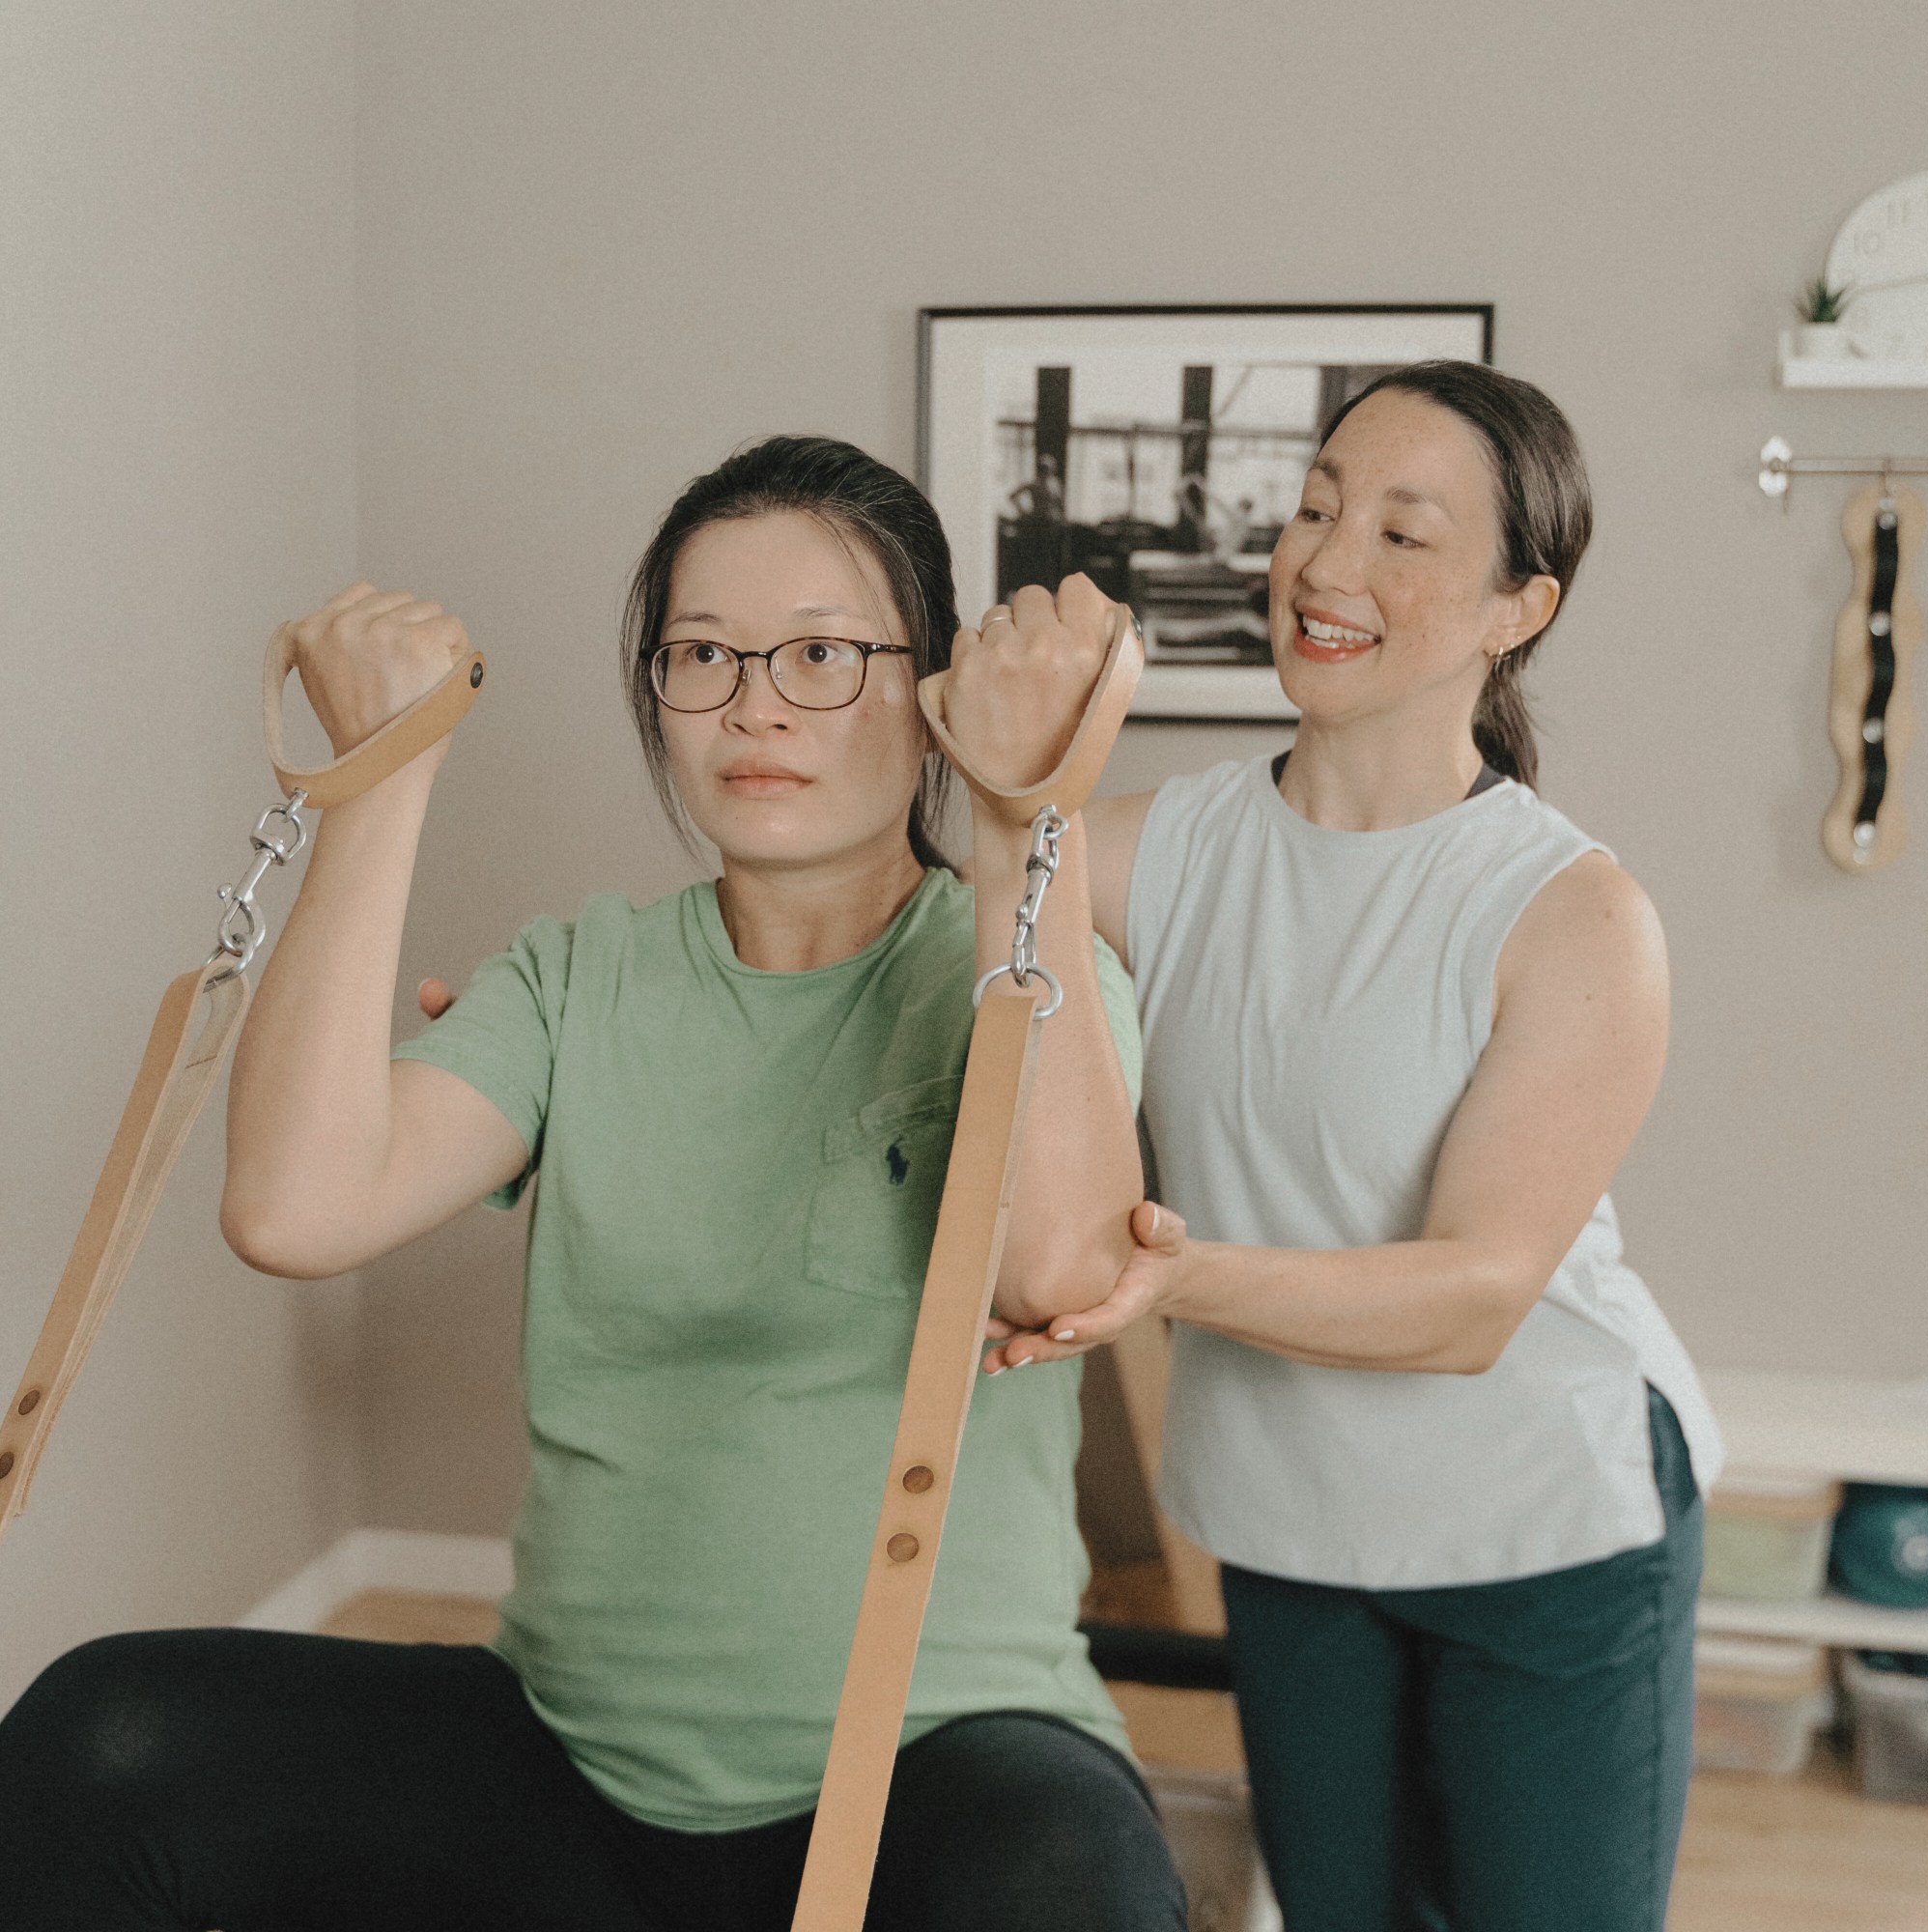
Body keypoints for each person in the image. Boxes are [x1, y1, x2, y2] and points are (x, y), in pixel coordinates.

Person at [0, 437, 1186, 1932]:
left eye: (821, 653)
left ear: (930, 684)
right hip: (570, 1763)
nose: (755, 703)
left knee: (1072, 1887)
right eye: (702, 653)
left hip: (941, 1769)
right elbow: (297, 1209)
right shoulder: (580, 976)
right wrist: (383, 776)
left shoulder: (1017, 979)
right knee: (102, 1735)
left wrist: (1028, 814)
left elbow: (1059, 1271)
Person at [985, 363, 1725, 1932]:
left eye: (1402, 533)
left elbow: (1471, 1302)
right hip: (1289, 1519)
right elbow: (973, 928)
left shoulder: (1572, 913)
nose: (1323, 567)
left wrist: (1156, 1282)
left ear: (1516, 609)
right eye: (1316, 507)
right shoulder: (1150, 846)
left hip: (1546, 1525)